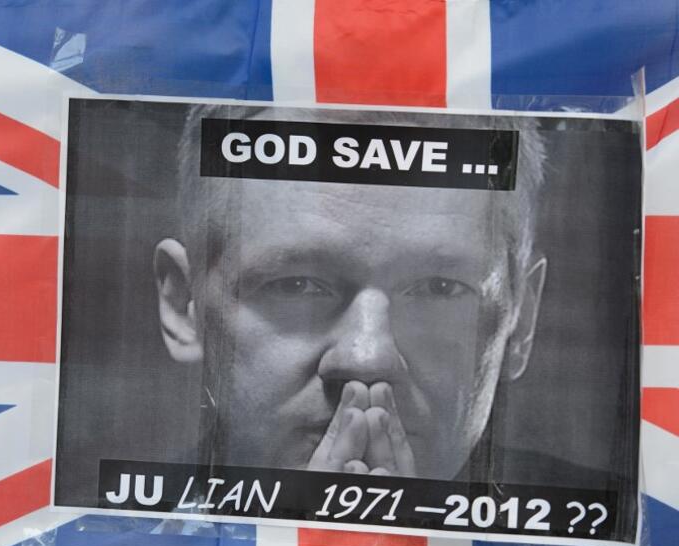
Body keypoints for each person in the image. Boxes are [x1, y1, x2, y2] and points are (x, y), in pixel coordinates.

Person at [153, 106, 547, 481]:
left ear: (522, 322)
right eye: (296, 285)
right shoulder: (109, 540)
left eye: (439, 288)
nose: (367, 358)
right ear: (184, 305)